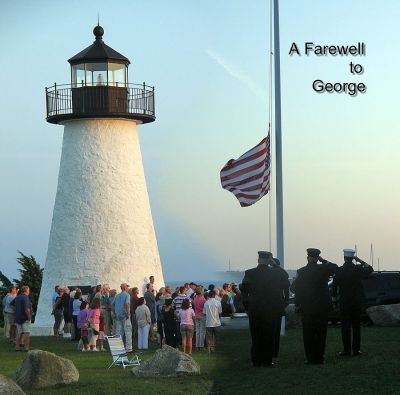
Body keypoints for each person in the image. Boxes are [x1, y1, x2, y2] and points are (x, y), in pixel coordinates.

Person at [241, 251, 290, 367]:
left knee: (256, 336)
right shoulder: (275, 273)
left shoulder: (250, 273)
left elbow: (244, 293)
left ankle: (256, 361)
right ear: (269, 260)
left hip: (255, 309)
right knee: (269, 335)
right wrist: (275, 265)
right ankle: (267, 361)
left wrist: (247, 308)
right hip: (271, 309)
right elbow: (286, 278)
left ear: (258, 260)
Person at [294, 248, 338, 364]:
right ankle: (320, 357)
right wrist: (323, 261)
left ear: (308, 257)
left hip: (307, 307)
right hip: (322, 307)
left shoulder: (301, 271)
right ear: (317, 258)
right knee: (321, 333)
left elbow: (295, 289)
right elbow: (335, 268)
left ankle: (310, 358)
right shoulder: (323, 270)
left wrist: (297, 305)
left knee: (308, 334)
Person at [332, 249, 373, 356]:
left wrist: (334, 299)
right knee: (356, 327)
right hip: (356, 301)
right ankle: (356, 350)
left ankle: (346, 350)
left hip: (344, 301)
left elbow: (334, 287)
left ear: (344, 258)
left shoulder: (339, 270)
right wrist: (360, 260)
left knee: (345, 327)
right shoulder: (358, 269)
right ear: (352, 258)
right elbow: (370, 269)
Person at [271, 258, 290, 361]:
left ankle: (269, 351)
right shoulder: (281, 273)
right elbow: (286, 289)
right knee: (276, 330)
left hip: (269, 304)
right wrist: (286, 301)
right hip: (278, 304)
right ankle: (274, 352)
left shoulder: (270, 273)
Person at [112, 283, 133, 352]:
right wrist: (128, 313)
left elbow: (112, 305)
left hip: (118, 316)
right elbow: (127, 304)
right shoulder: (127, 295)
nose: (128, 288)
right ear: (125, 288)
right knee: (128, 332)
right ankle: (129, 348)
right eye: (127, 287)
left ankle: (118, 348)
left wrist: (114, 313)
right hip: (125, 315)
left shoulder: (117, 296)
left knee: (119, 332)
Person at [203, 289, 222, 354]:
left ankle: (209, 350)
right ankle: (216, 349)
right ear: (214, 295)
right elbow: (220, 312)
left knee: (209, 337)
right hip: (217, 322)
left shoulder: (206, 303)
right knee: (217, 337)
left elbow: (204, 313)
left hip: (208, 323)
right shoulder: (218, 302)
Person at [14, 286, 32, 352]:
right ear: (26, 290)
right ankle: (26, 348)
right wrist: (29, 318)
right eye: (29, 290)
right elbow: (27, 309)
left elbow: (11, 304)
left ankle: (17, 347)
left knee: (19, 333)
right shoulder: (25, 298)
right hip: (25, 318)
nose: (29, 292)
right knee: (27, 333)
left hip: (17, 317)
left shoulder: (17, 297)